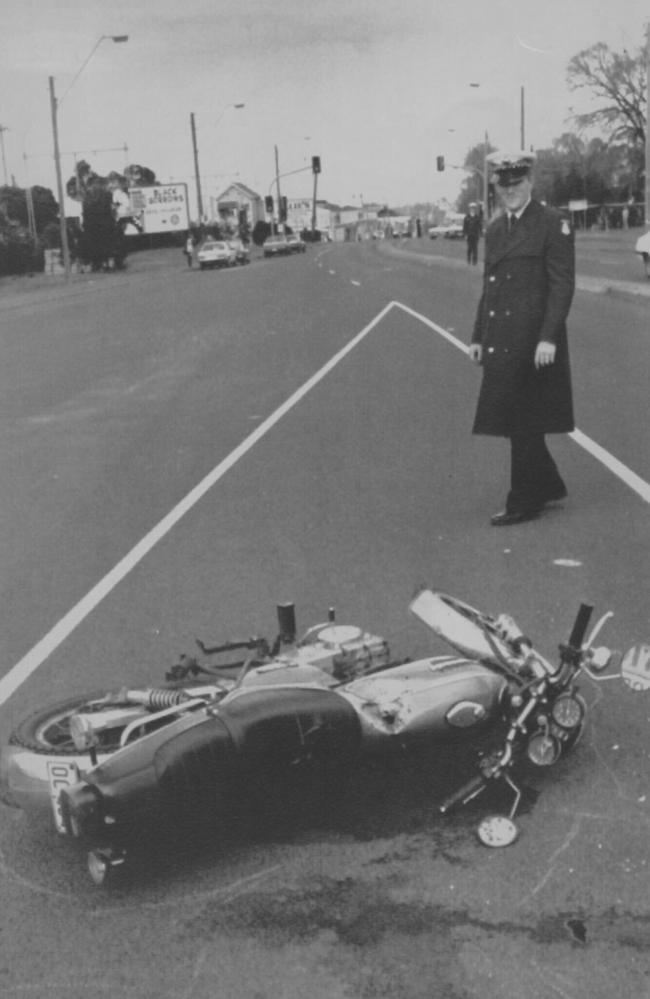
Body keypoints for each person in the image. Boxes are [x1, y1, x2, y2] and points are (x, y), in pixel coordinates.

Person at [468, 150, 575, 526]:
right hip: (502, 338)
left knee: (521, 420)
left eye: (517, 183)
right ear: (497, 186)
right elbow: (490, 286)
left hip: (535, 342)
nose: (510, 191)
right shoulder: (496, 229)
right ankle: (547, 485)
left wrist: (549, 338)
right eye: (504, 185)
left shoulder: (551, 223)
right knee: (519, 419)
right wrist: (478, 335)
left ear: (530, 182)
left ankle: (523, 501)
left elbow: (562, 285)